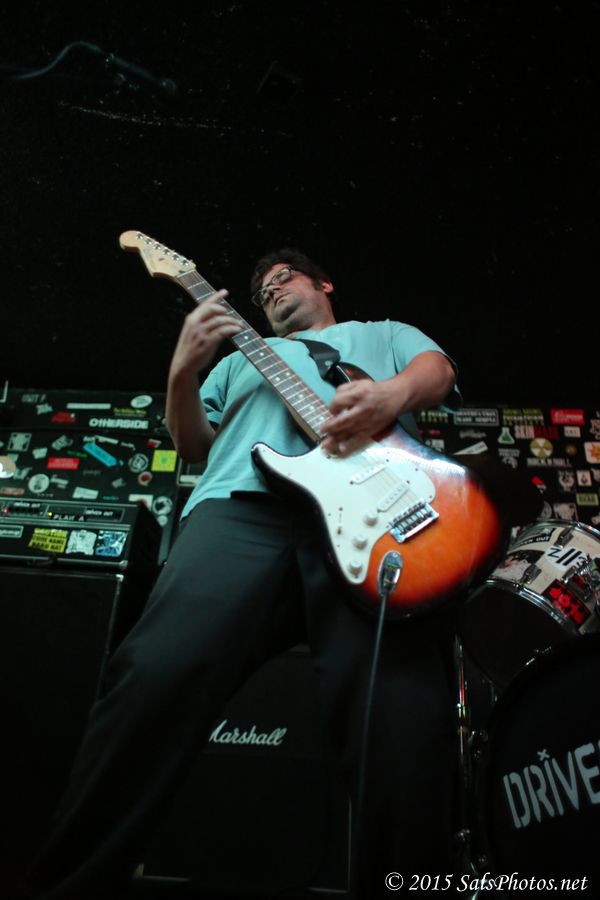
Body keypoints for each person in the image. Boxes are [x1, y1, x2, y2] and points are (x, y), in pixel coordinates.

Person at [20, 248, 464, 900]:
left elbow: (438, 370)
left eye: (285, 277)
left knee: (402, 719)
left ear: (324, 283)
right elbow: (192, 444)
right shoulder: (237, 362)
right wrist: (182, 368)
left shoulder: (381, 335)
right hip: (239, 509)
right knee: (152, 681)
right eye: (262, 290)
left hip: (374, 522)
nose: (272, 290)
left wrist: (389, 395)